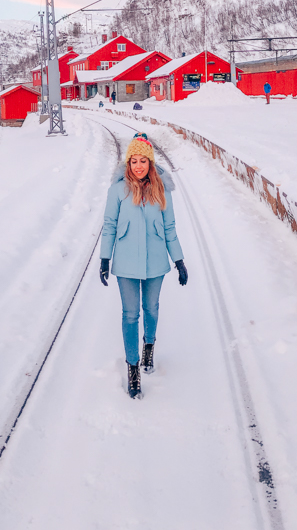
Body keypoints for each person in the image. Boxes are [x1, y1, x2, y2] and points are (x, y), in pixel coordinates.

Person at [99, 132, 188, 399]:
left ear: (150, 163)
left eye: (143, 161)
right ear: (128, 164)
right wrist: (105, 258)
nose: (138, 166)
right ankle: (133, 367)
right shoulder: (117, 191)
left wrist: (179, 260)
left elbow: (170, 228)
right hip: (125, 263)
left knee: (151, 308)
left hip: (155, 263)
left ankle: (149, 345)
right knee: (130, 315)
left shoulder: (162, 191)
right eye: (133, 161)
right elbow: (109, 227)